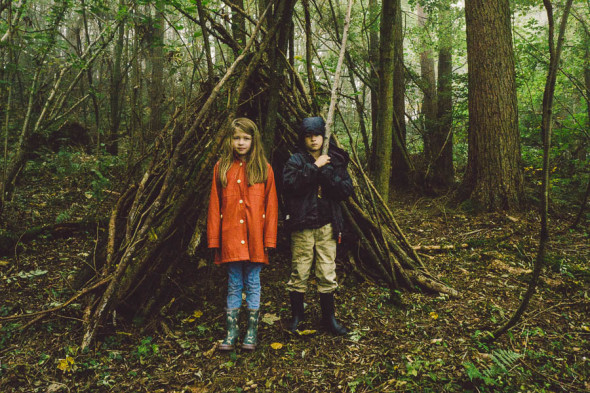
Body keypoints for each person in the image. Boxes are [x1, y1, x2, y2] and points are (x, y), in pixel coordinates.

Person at [207, 117, 278, 351]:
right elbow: (215, 205)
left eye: (246, 138)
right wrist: (215, 239)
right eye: (236, 138)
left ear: (253, 140)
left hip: (255, 239)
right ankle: (232, 331)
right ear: (230, 140)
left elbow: (271, 206)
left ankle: (251, 331)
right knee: (234, 284)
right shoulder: (222, 167)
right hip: (230, 237)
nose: (240, 143)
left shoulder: (264, 169)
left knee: (253, 283)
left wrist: (269, 239)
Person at [282, 116, 353, 336]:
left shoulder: (335, 160)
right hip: (302, 225)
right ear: (302, 138)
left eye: (317, 135)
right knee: (300, 270)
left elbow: (345, 190)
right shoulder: (295, 160)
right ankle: (297, 316)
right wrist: (314, 167)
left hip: (327, 225)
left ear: (324, 136)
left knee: (326, 270)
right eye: (309, 136)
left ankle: (328, 318)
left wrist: (327, 173)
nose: (313, 140)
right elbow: (289, 185)